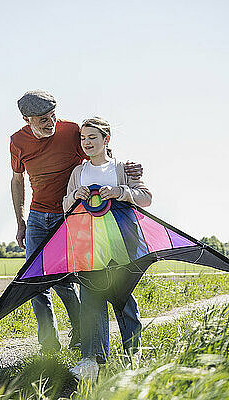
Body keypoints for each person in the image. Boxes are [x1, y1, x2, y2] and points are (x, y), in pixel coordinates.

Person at [10, 91, 143, 353]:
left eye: (53, 116)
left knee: (69, 281)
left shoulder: (71, 131)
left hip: (72, 216)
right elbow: (17, 180)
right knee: (36, 279)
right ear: (27, 120)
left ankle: (85, 336)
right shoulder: (17, 141)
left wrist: (126, 170)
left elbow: (98, 153)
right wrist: (20, 221)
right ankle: (49, 347)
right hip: (37, 216)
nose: (51, 123)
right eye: (42, 120)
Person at [62, 116, 152, 379]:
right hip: (89, 246)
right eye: (83, 138)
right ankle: (91, 361)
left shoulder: (122, 168)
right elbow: (65, 207)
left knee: (123, 299)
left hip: (122, 243)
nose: (87, 142)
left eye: (92, 137)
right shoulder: (78, 172)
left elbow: (146, 197)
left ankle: (133, 356)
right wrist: (74, 197)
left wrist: (120, 191)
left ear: (106, 139)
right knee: (91, 299)